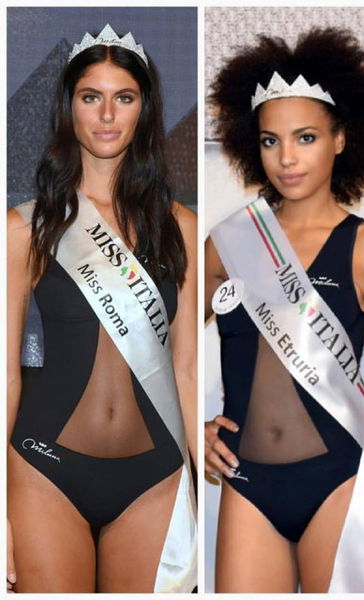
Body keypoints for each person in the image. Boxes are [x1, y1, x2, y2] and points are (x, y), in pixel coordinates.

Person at [7, 25, 197, 592]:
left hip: (155, 479)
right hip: (45, 471)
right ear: (70, 107)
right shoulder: (26, 228)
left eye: (124, 98)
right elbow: (4, 375)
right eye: (92, 97)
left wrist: (203, 493)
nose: (107, 115)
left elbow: (187, 370)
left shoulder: (181, 227)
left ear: (145, 109)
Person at [204, 28, 364, 592]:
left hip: (340, 481)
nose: (286, 158)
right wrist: (195, 425)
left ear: (340, 139)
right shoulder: (229, 243)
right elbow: (164, 345)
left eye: (305, 137)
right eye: (270, 141)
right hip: (246, 482)